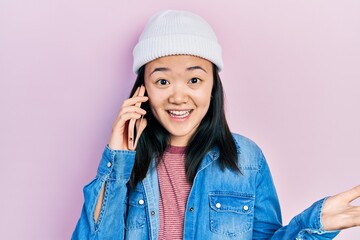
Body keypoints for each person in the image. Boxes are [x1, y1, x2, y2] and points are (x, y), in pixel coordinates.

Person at [72, 10, 360, 239]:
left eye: (194, 80)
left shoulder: (247, 160)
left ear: (212, 86)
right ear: (143, 89)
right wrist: (117, 161)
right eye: (162, 81)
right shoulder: (127, 163)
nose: (178, 96)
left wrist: (313, 225)